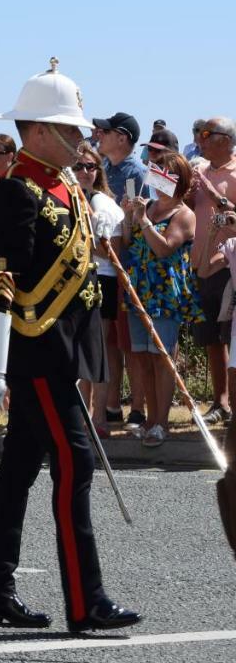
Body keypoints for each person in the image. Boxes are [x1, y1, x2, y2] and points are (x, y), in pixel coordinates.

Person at [0, 59, 140, 635]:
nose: (81, 139)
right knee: (75, 462)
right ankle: (84, 600)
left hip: (66, 343)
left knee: (19, 467)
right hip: (36, 348)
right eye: (70, 130)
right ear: (39, 131)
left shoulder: (65, 184)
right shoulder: (12, 193)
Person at [121, 151, 201, 447]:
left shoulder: (183, 214)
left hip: (165, 293)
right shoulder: (149, 206)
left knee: (162, 359)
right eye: (155, 171)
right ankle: (151, 419)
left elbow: (165, 248)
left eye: (165, 173)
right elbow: (130, 245)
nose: (156, 178)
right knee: (141, 359)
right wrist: (130, 218)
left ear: (178, 180)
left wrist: (143, 221)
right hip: (139, 290)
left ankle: (162, 423)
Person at [93, 111, 148, 428]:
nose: (99, 136)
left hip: (130, 270)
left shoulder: (136, 173)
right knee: (111, 343)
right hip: (109, 271)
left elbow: (143, 220)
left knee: (132, 345)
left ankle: (138, 408)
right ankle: (112, 404)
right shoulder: (107, 169)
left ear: (122, 137)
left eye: (106, 131)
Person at [184, 117, 236, 425]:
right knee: (210, 339)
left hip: (227, 265)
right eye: (199, 134)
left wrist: (212, 192)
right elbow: (191, 210)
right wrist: (191, 192)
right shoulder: (200, 171)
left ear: (226, 139)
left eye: (206, 134)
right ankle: (221, 402)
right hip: (200, 265)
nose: (200, 139)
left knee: (229, 336)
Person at [73, 142, 124, 438]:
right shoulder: (79, 198)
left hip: (100, 279)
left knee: (98, 352)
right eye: (78, 166)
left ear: (98, 171)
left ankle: (99, 417)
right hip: (82, 278)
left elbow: (111, 252)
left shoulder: (101, 204)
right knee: (84, 352)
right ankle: (85, 416)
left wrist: (81, 237)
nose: (83, 172)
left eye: (89, 166)